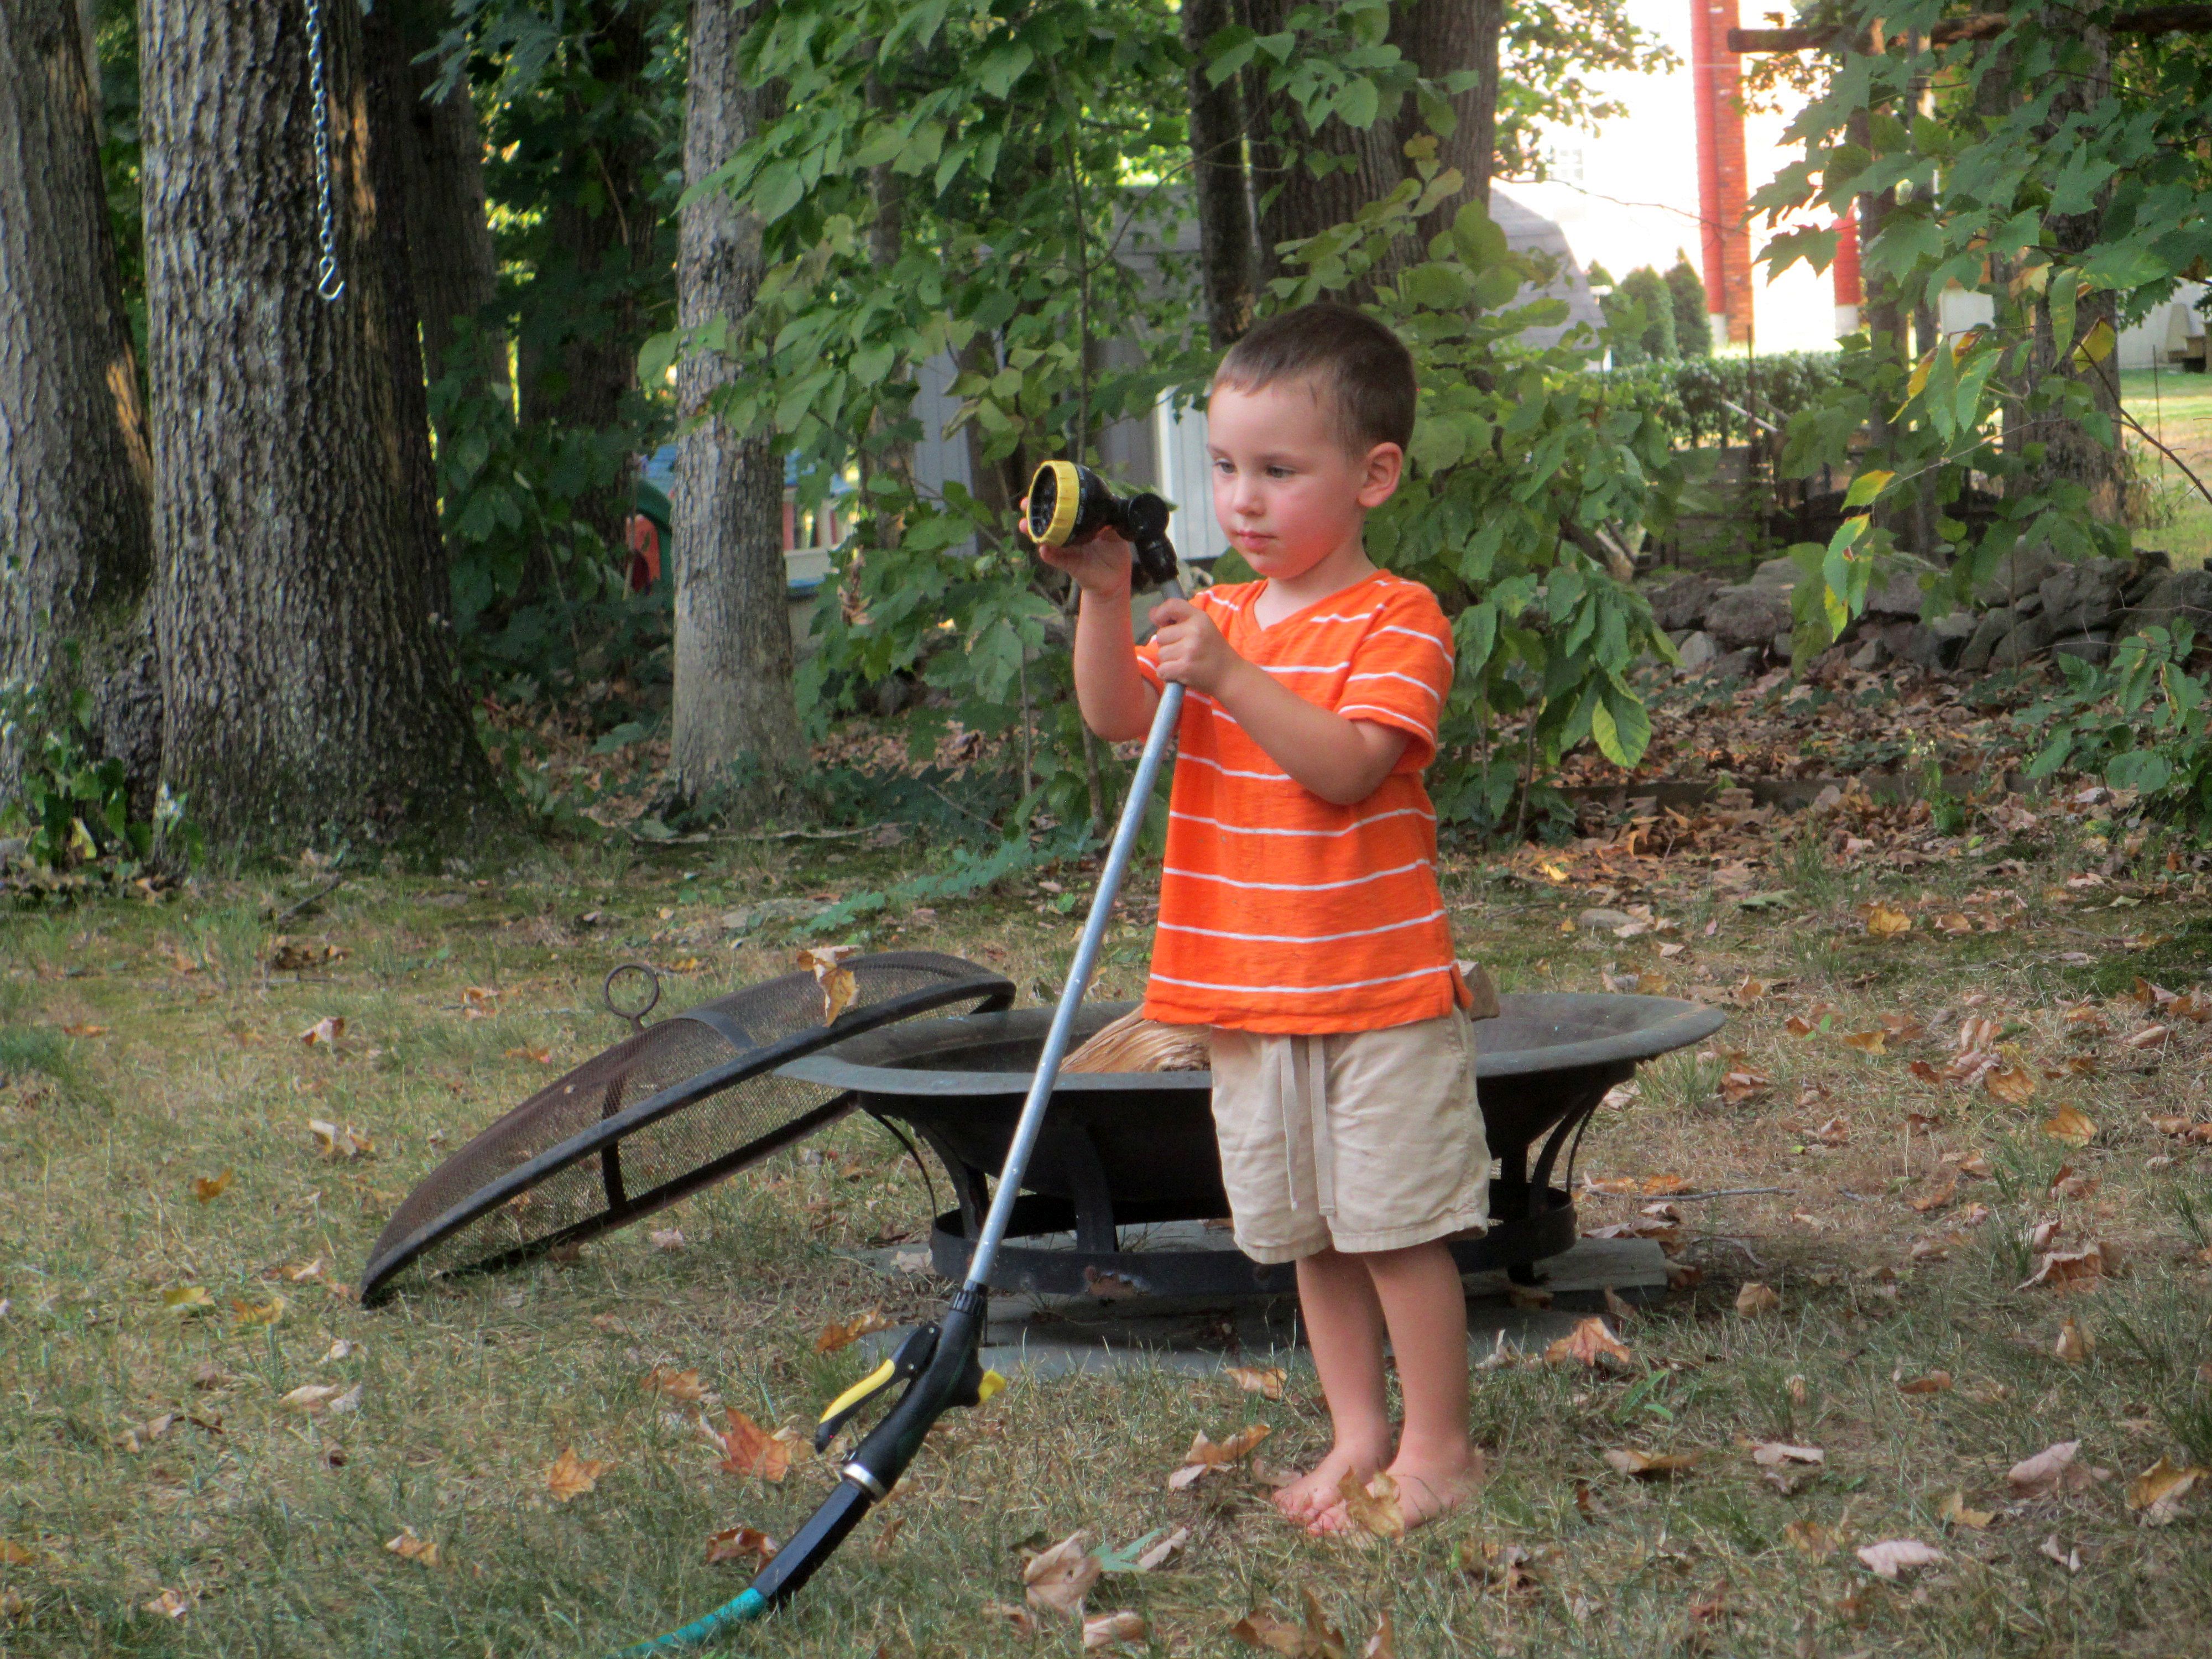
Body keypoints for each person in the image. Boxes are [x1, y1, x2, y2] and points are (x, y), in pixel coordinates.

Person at [1036, 302, 1488, 1534]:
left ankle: (1440, 1450)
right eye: (1226, 467)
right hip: (1244, 991)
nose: (1242, 500)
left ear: (1372, 476)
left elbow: (1348, 767)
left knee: (1394, 1229)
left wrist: (1232, 678)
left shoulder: (1397, 618)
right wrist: (1105, 600)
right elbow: (1120, 720)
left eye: (1279, 471)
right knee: (1309, 1236)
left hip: (1372, 988)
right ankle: (1359, 1435)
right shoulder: (1223, 617)